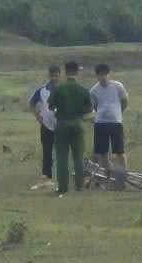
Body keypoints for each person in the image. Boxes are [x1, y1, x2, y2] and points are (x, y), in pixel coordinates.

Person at [49, 61, 93, 196]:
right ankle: (79, 185)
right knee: (78, 157)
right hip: (78, 125)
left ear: (65, 72)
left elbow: (51, 106)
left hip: (62, 125)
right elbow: (89, 109)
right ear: (77, 72)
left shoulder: (58, 89)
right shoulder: (83, 90)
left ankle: (63, 187)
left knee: (62, 157)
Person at [89, 64, 129, 189]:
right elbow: (94, 106)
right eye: (100, 75)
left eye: (104, 74)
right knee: (102, 155)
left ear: (109, 74)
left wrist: (118, 113)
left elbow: (124, 101)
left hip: (116, 123)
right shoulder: (93, 90)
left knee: (120, 152)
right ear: (97, 76)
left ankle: (122, 180)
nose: (102, 77)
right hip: (100, 123)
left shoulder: (118, 86)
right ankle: (108, 178)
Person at [28, 65, 61, 189]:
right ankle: (47, 176)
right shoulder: (42, 90)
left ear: (60, 75)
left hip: (61, 125)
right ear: (49, 76)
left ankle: (62, 176)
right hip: (46, 125)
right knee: (47, 151)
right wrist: (37, 116)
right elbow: (31, 103)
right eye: (52, 75)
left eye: (56, 75)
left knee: (61, 151)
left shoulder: (63, 89)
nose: (54, 78)